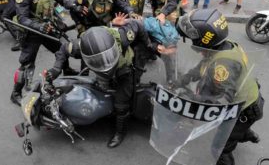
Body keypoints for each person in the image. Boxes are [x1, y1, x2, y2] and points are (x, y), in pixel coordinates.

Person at [45, 16, 176, 148]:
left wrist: (148, 44)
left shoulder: (123, 36)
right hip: (101, 73)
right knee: (100, 88)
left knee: (122, 102)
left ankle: (120, 132)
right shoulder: (79, 46)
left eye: (106, 56)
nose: (105, 62)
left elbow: (137, 24)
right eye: (98, 59)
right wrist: (56, 69)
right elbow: (63, 49)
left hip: (124, 66)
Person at [176, 8, 264, 165]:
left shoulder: (223, 64)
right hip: (249, 102)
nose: (190, 41)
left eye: (192, 38)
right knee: (235, 130)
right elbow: (202, 67)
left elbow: (223, 101)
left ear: (204, 40)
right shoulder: (223, 47)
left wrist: (193, 98)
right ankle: (246, 133)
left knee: (219, 148)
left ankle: (240, 135)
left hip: (244, 111)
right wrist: (183, 79)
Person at [10, 0, 85, 106]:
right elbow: (22, 18)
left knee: (62, 48)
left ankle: (67, 71)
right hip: (31, 32)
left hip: (47, 28)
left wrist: (74, 7)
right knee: (26, 63)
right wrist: (38, 27)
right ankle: (16, 93)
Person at [149, 0, 183, 86]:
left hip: (168, 22)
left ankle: (172, 79)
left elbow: (172, 3)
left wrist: (163, 13)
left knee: (169, 53)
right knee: (156, 43)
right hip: (159, 21)